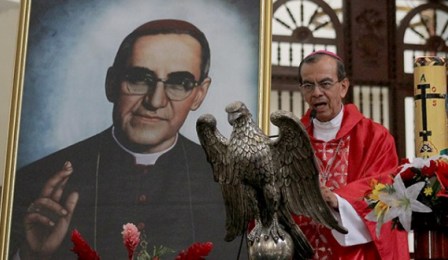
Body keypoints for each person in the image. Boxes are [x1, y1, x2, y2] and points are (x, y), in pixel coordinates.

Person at [10, 19, 243, 259]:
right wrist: (29, 254)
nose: (155, 101)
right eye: (139, 78)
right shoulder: (34, 183)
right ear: (111, 83)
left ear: (199, 95)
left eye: (179, 83)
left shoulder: (234, 186)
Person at [293, 50, 409, 259]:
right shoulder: (291, 141)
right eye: (308, 85)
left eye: (325, 84)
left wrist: (338, 201)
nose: (316, 93)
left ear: (343, 87)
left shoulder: (374, 137)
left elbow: (385, 191)